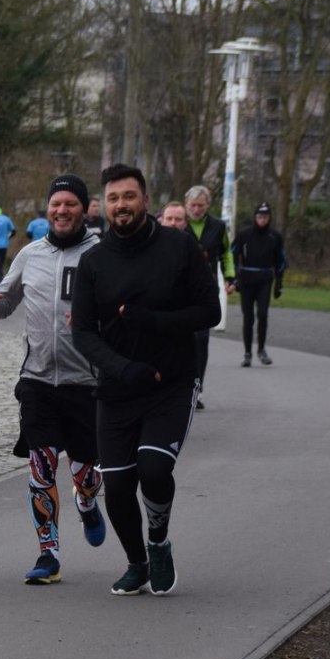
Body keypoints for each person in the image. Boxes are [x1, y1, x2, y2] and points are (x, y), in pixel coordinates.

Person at [70, 164, 221, 596]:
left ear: (146, 201)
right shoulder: (93, 261)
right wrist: (121, 368)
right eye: (114, 198)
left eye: (129, 196)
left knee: (154, 469)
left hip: (170, 381)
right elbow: (82, 331)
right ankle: (137, 562)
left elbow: (209, 311)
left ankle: (158, 540)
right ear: (105, 205)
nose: (121, 205)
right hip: (117, 387)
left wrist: (154, 321)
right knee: (117, 487)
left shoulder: (179, 248)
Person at [0, 174, 106, 585]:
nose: (62, 210)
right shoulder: (30, 255)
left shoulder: (102, 254)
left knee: (85, 474)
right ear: (48, 209)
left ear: (84, 209)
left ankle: (89, 503)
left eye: (70, 204)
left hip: (87, 384)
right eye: (56, 203)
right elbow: (3, 305)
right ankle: (48, 553)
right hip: (37, 380)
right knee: (41, 468)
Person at [184, 185, 235, 407]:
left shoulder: (217, 226)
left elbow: (226, 252)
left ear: (208, 206)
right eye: (192, 205)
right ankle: (178, 388)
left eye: (200, 205)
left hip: (206, 290)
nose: (196, 209)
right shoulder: (178, 224)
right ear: (186, 205)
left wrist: (230, 277)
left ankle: (198, 389)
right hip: (180, 290)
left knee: (201, 341)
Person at [231, 202, 287, 367]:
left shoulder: (275, 236)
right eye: (259, 217)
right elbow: (232, 254)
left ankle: (261, 349)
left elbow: (281, 261)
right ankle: (247, 353)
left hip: (264, 278)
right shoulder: (244, 234)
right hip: (247, 279)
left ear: (269, 218)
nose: (262, 220)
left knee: (262, 314)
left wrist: (279, 283)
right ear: (255, 217)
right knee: (248, 317)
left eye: (265, 217)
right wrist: (235, 278)